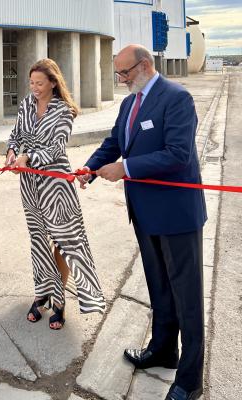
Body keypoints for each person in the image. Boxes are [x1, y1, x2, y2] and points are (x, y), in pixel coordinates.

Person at [77, 45, 206, 400]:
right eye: (117, 74)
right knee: (160, 289)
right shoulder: (129, 103)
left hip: (177, 215)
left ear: (145, 65)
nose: (120, 80)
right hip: (145, 213)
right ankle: (164, 350)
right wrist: (91, 166)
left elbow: (178, 154)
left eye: (125, 73)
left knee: (188, 298)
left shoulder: (176, 98)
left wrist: (126, 168)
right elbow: (115, 141)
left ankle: (190, 380)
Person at [5, 58, 105, 330]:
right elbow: (15, 135)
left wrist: (28, 158)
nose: (34, 88)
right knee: (38, 239)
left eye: (39, 83)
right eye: (31, 83)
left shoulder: (64, 111)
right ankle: (42, 293)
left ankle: (59, 300)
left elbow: (57, 148)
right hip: (30, 184)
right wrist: (13, 152)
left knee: (63, 241)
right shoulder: (26, 104)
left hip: (56, 185)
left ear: (53, 82)